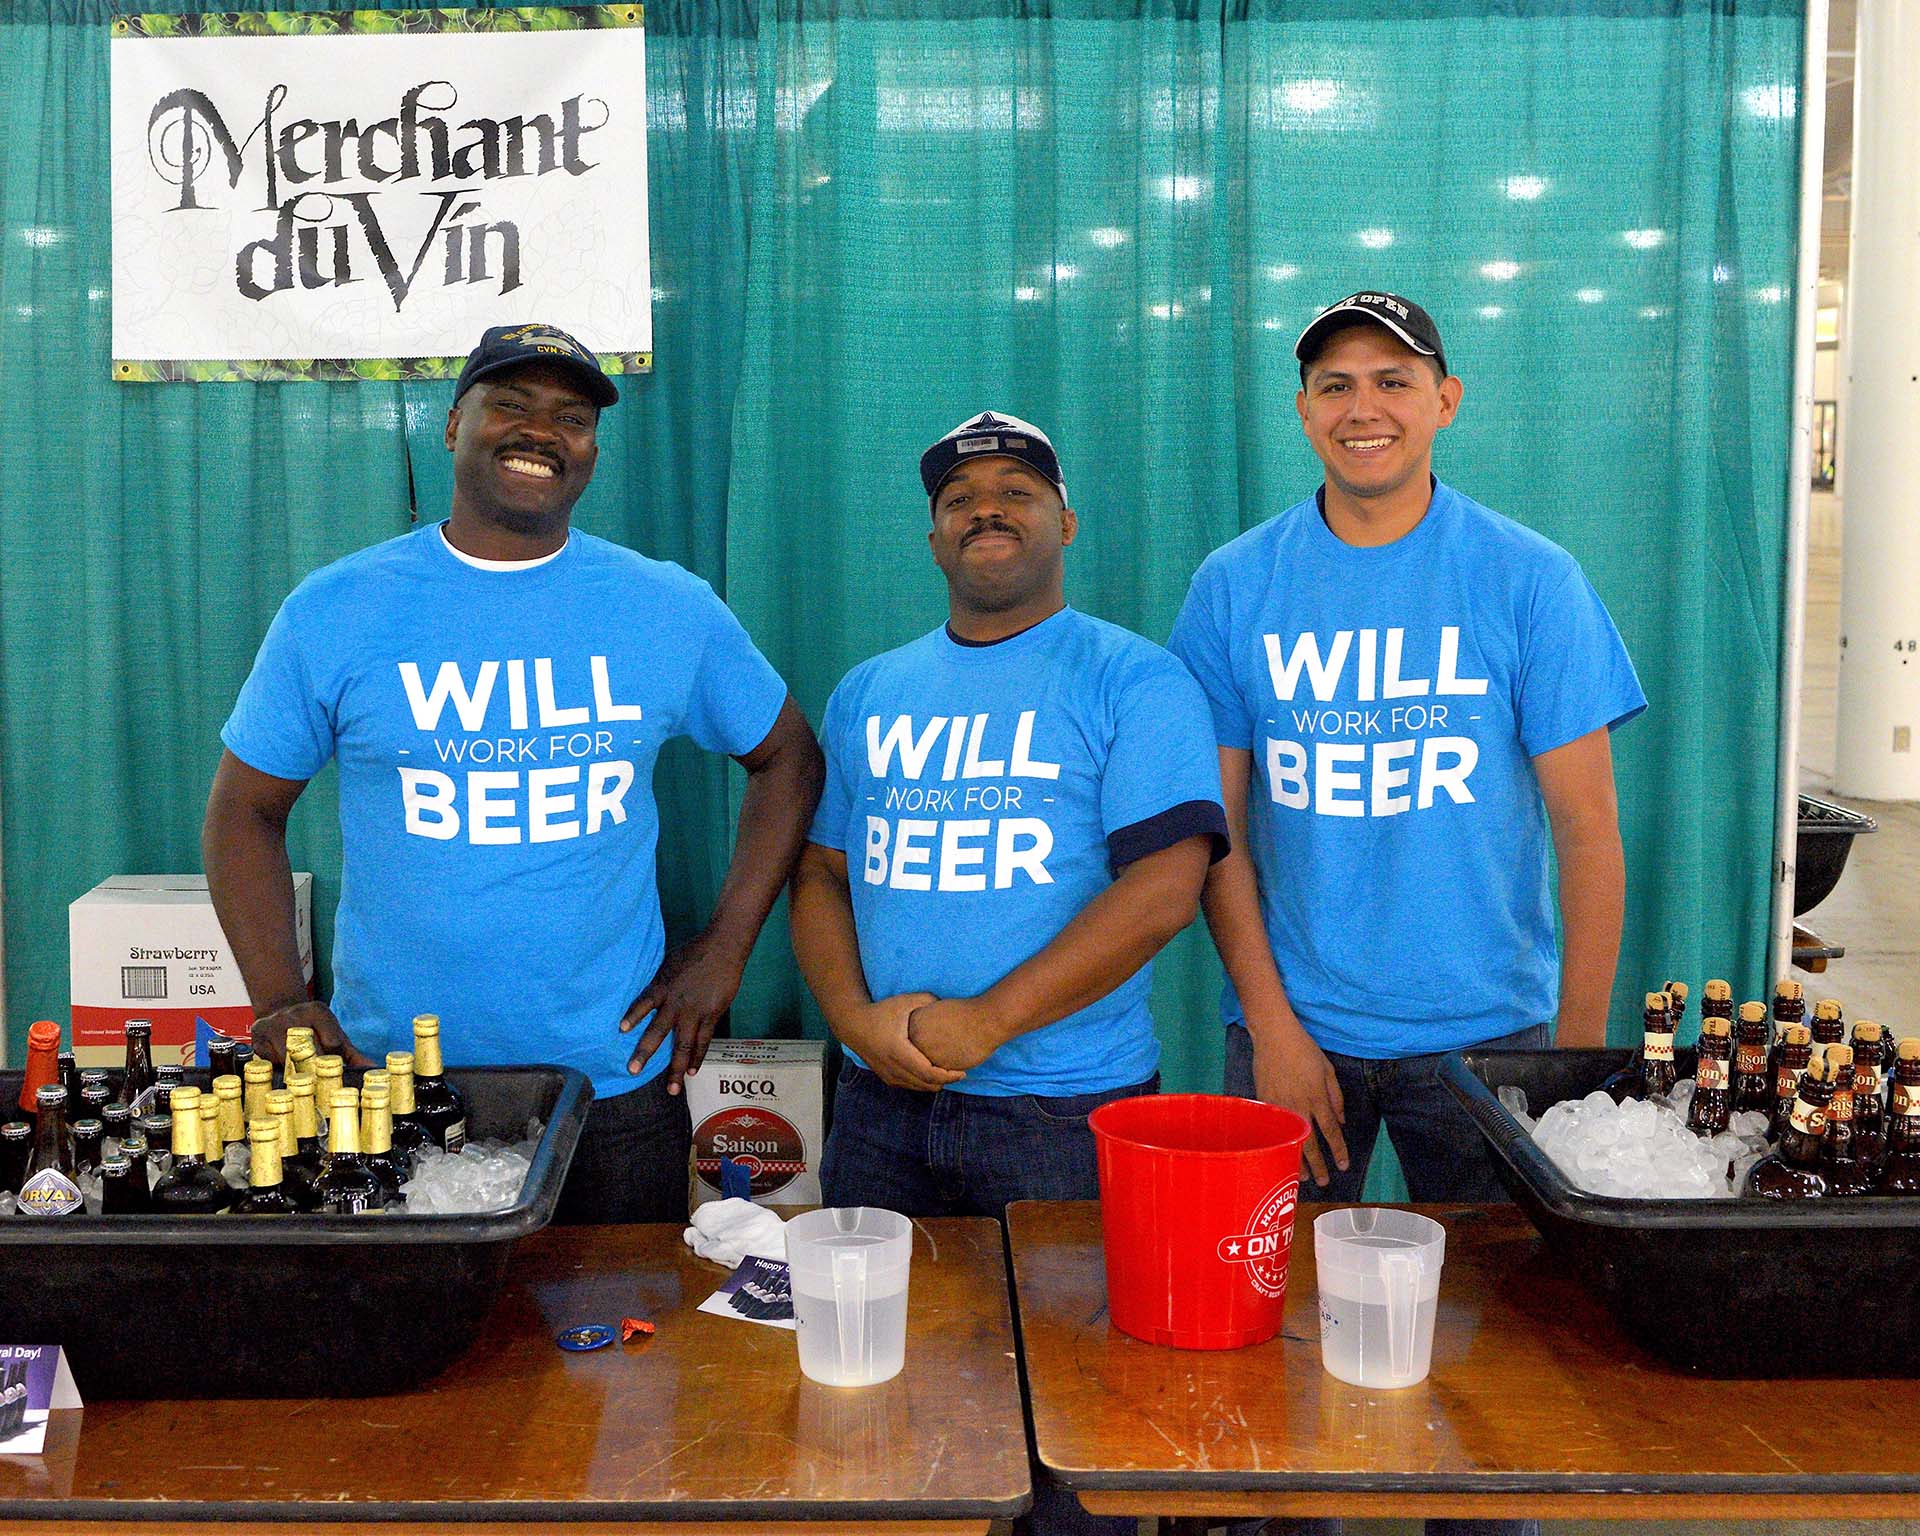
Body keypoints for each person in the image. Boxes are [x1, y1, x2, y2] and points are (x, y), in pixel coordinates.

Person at [203, 322, 823, 1224]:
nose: (541, 432)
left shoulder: (666, 606)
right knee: (429, 1356)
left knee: (621, 1349)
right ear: (453, 426)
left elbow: (789, 759)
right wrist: (281, 1001)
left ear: (593, 453)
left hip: (611, 1081)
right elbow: (243, 811)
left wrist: (725, 947)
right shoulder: (337, 609)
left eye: (571, 417)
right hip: (391, 1082)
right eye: (510, 405)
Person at [793, 410, 1227, 1536]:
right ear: (933, 537)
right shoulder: (871, 690)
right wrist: (850, 1019)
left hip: (1063, 1120)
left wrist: (990, 1021)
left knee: (1075, 1441)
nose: (986, 507)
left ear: (1066, 522)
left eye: (1017, 490)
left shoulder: (1137, 679)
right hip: (880, 1114)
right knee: (881, 1412)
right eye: (959, 496)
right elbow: (824, 878)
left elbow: (1165, 889)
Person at [1170, 291, 1647, 1211]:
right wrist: (1271, 1028)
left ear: (1445, 399)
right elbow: (1216, 835)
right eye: (1335, 385)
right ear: (1304, 409)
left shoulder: (1530, 578)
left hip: (1490, 1037)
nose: (1364, 409)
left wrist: (1572, 1070)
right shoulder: (1233, 585)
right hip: (1294, 1029)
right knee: (1278, 1308)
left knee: (1504, 1322)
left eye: (1394, 381)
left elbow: (1587, 830)